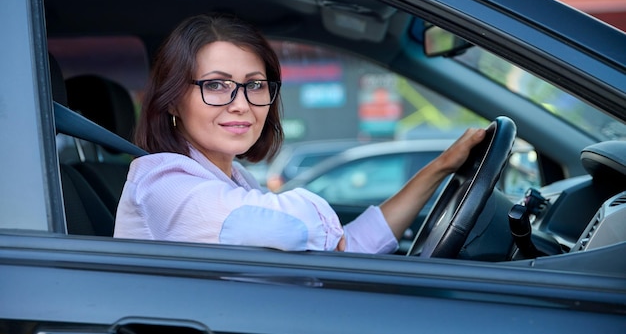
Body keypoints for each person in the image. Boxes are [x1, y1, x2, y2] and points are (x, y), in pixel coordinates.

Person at [113, 13, 486, 253]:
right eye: (216, 85)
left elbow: (348, 249)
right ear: (173, 99)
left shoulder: (235, 180)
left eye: (255, 85)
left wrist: (439, 168)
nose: (241, 103)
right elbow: (290, 228)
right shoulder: (161, 181)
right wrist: (326, 225)